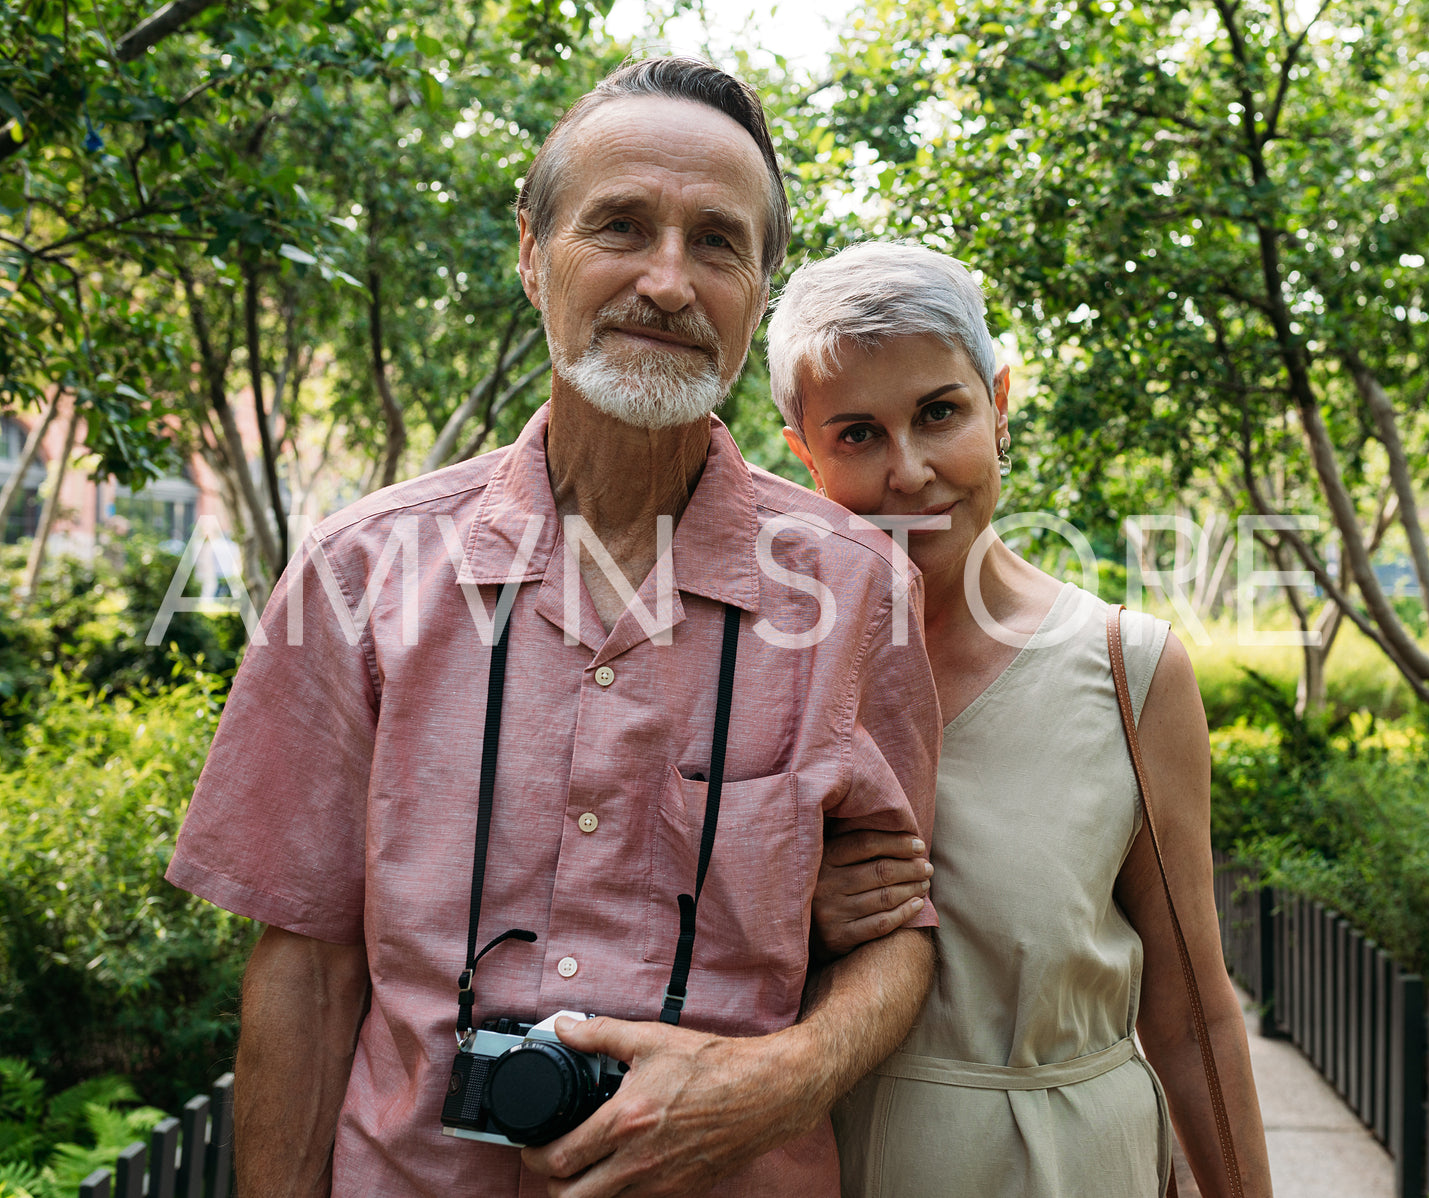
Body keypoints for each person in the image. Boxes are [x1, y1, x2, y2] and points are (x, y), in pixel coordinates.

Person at [166, 61, 941, 1198]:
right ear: (531, 254)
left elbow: (896, 928)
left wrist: (782, 1079)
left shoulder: (857, 589)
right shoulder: (358, 572)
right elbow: (305, 965)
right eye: (619, 226)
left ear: (760, 289)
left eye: (717, 243)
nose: (667, 283)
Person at [765, 241, 1274, 1197]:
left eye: (938, 414)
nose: (909, 472)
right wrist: (789, 907)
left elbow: (1191, 1009)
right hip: (826, 1160)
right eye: (857, 435)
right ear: (804, 455)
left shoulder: (1128, 670)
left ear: (998, 408)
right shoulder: (765, 667)